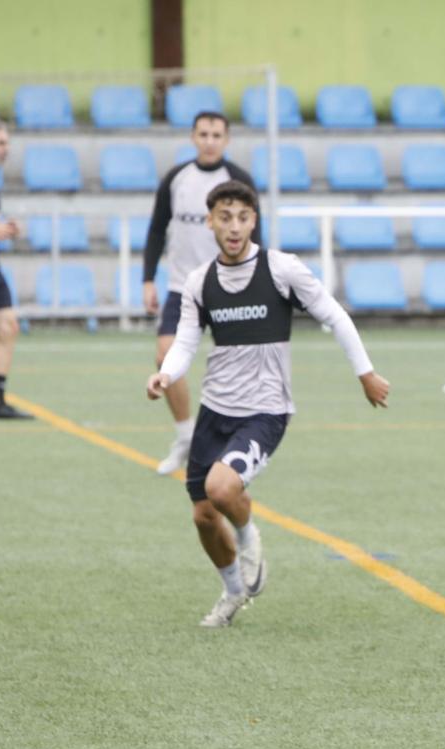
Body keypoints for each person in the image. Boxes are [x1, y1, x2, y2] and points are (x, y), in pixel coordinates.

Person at [146, 180, 390, 628]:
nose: (234, 227)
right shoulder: (200, 281)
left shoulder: (282, 270)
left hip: (264, 410)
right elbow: (185, 341)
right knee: (202, 515)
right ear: (210, 222)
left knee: (222, 491)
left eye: (242, 217)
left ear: (254, 220)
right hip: (215, 410)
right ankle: (233, 592)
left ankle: (247, 535)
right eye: (225, 218)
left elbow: (334, 315)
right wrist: (167, 373)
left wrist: (366, 372)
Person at [144, 111, 260, 474]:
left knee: (239, 367)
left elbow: (258, 235)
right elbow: (156, 230)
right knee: (165, 357)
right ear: (193, 137)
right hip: (182, 288)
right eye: (203, 134)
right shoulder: (176, 179)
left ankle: (239, 443)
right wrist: (148, 278)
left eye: (216, 135)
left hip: (229, 287)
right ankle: (184, 436)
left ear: (226, 140)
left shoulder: (239, 180)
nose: (209, 141)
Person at [0, 118, 32, 420]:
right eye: (1, 143)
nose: (6, 150)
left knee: (8, 326)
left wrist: (4, 227)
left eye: (7, 144)